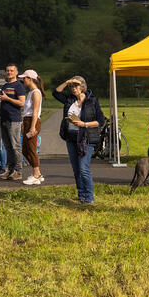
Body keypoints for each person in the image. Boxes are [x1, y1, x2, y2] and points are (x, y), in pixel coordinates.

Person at [53, 76, 105, 204]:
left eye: (76, 86)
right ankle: (81, 194)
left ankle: (89, 197)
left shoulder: (92, 100)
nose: (73, 88)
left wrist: (84, 124)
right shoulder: (69, 99)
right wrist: (67, 82)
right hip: (71, 137)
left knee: (83, 168)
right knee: (76, 168)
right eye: (71, 86)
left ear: (82, 86)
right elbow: (56, 93)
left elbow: (100, 121)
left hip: (85, 138)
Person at [0, 64, 26, 181]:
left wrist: (7, 99)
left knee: (15, 147)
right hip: (3, 119)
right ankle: (10, 169)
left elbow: (21, 103)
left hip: (13, 120)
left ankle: (18, 171)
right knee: (8, 147)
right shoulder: (5, 85)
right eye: (7, 70)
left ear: (16, 72)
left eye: (11, 70)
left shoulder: (18, 86)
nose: (9, 72)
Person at [20, 70, 45, 185]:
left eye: (24, 78)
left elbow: (35, 112)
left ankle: (36, 174)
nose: (23, 80)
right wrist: (23, 124)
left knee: (31, 148)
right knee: (25, 150)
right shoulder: (30, 92)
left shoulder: (36, 93)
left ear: (30, 79)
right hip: (27, 121)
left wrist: (32, 127)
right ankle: (37, 173)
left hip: (32, 122)